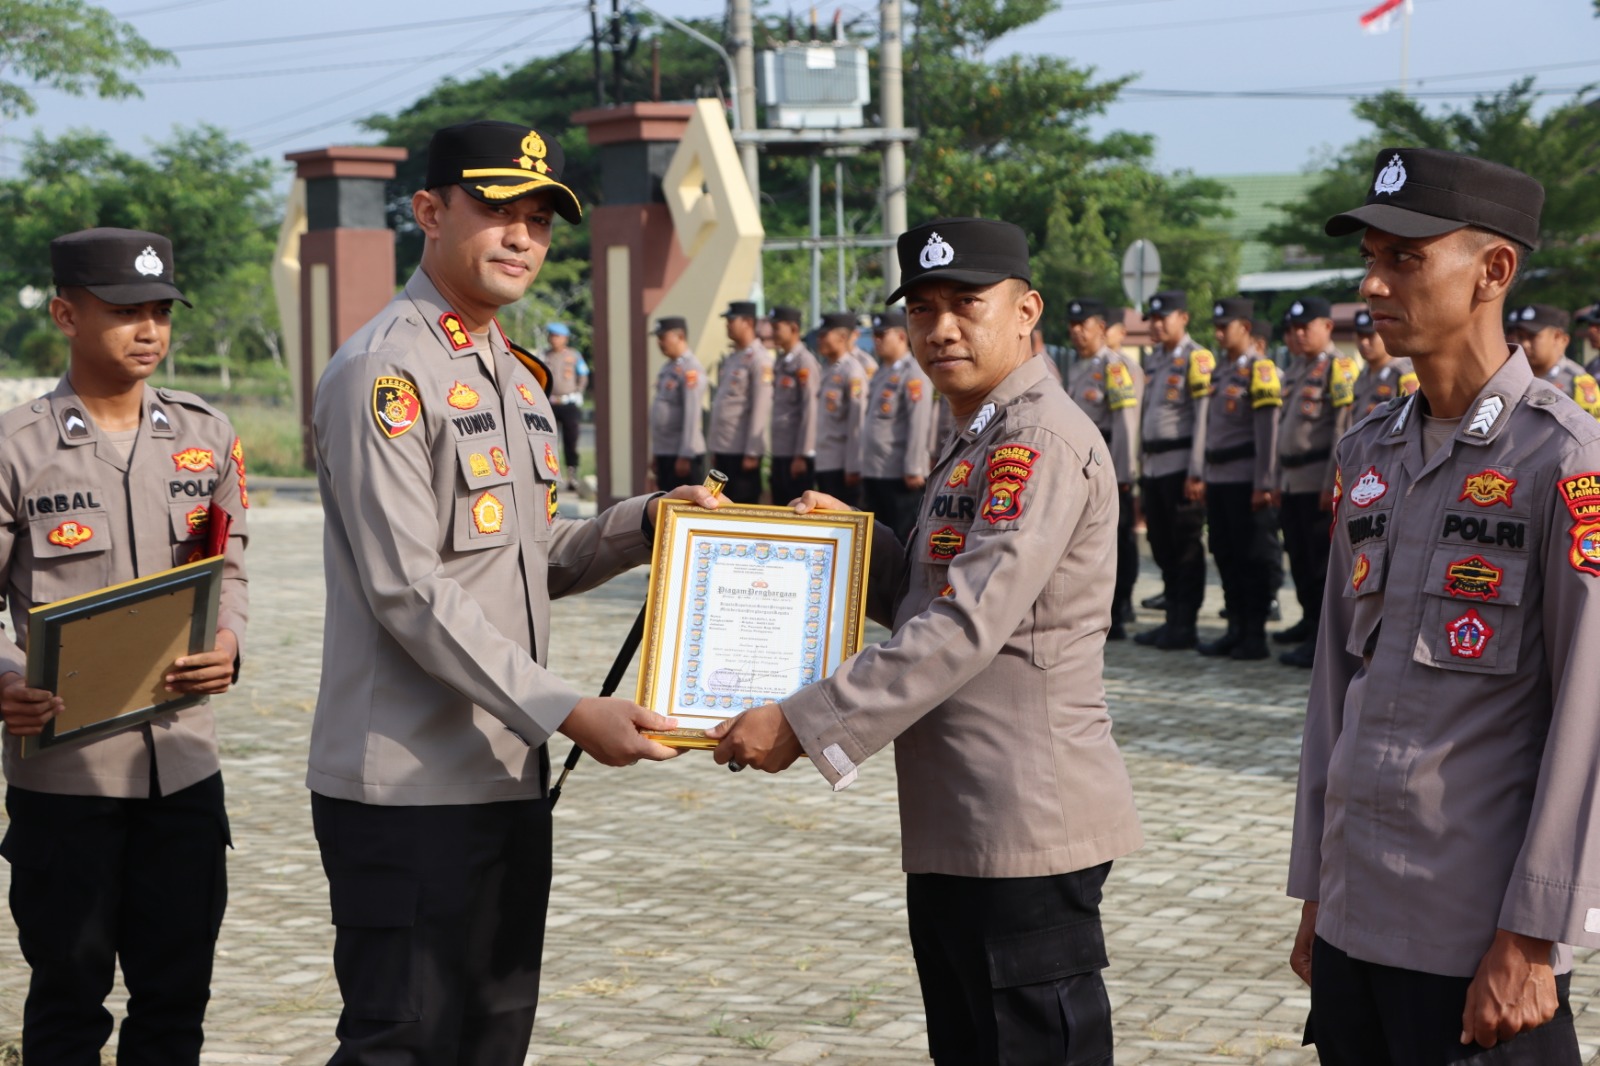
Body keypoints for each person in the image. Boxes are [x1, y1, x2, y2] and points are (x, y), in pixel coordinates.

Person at [305, 120, 715, 1066]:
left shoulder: (517, 379)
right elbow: (408, 588)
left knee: (489, 1039)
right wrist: (569, 709)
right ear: (429, 212)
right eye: (497, 211)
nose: (522, 237)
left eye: (538, 218)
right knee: (401, 1044)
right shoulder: (385, 370)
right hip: (406, 787)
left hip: (503, 773)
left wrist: (648, 523)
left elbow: (532, 560)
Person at [710, 217, 1143, 1065]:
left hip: (1022, 817)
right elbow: (937, 592)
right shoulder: (980, 430)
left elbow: (968, 622)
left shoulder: (1035, 442)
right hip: (961, 816)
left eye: (965, 305)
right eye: (923, 308)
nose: (941, 328)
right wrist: (858, 548)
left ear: (1027, 311)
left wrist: (804, 720)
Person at [1290, 145, 1600, 1066]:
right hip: (1357, 922)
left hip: (1477, 941)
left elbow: (1590, 718)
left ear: (1493, 272)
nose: (1372, 284)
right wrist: (1317, 887)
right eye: (1371, 258)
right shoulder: (1369, 453)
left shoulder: (1565, 460)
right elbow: (1332, 692)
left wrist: (1536, 936)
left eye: (1406, 258)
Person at [0, 227, 248, 1065]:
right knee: (68, 1000)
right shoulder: (14, 449)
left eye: (159, 312)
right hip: (66, 775)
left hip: (184, 767)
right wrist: (3, 676)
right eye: (124, 312)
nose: (148, 330)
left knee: (176, 1001)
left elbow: (230, 567)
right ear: (67, 314)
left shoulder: (206, 436)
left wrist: (227, 642)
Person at [1275, 296, 1359, 668]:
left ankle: (1320, 636)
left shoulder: (1337, 368)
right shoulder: (1295, 369)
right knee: (1298, 557)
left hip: (1317, 480)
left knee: (1319, 564)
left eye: (1303, 328)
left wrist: (1332, 482)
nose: (1296, 335)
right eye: (1291, 330)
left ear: (1326, 327)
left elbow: (1342, 429)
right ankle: (1309, 622)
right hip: (1293, 480)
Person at [1197, 297, 1281, 660]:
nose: (1217, 333)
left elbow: (1268, 431)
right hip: (1219, 478)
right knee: (1225, 553)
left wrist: (1264, 481)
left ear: (1245, 328)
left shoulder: (1260, 370)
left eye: (1224, 327)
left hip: (1246, 479)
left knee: (1252, 557)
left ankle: (1254, 633)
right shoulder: (1220, 371)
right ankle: (1235, 627)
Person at [1136, 290, 1216, 649]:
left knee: (1185, 546)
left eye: (1162, 317)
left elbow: (1202, 419)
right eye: (1152, 319)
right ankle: (1171, 618)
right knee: (1161, 544)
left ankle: (1185, 623)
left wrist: (1197, 471)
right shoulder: (1153, 361)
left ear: (1182, 318)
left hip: (1181, 465)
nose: (1156, 324)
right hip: (1154, 467)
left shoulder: (1196, 358)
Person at [1064, 297, 1143, 638]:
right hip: (1082, 468)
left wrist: (1124, 474)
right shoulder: (1078, 367)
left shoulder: (1114, 367)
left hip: (1109, 465)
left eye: (1085, 326)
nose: (1078, 332)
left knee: (1118, 540)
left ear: (1100, 328)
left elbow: (1126, 424)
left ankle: (1120, 608)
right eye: (1073, 326)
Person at [860, 308, 936, 541]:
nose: (877, 340)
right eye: (875, 335)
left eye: (883, 334)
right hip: (876, 469)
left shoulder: (913, 372)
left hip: (899, 472)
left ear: (902, 337)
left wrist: (914, 467)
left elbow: (919, 421)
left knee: (901, 537)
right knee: (877, 538)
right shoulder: (881, 372)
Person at [707, 300, 773, 504]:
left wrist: (753, 451)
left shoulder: (759, 359)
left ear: (747, 322)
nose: (727, 325)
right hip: (725, 447)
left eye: (731, 320)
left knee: (742, 505)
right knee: (716, 503)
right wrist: (715, 447)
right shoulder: (734, 357)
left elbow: (761, 406)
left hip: (742, 451)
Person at [1505, 304, 1600, 420]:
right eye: (1519, 337)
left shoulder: (1577, 382)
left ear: (1558, 337)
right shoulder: (1511, 378)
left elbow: (1590, 434)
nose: (1524, 344)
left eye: (1532, 336)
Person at [767, 305, 819, 504]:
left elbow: (810, 409)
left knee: (796, 506)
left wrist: (802, 454)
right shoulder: (782, 361)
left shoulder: (804, 362)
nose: (773, 332)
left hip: (795, 453)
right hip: (781, 450)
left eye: (777, 327)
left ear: (794, 329)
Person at [813, 311, 867, 505]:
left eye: (824, 335)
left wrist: (853, 466)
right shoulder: (827, 368)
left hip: (841, 464)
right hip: (826, 460)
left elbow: (857, 422)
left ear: (842, 337)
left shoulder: (852, 371)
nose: (819, 340)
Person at [649, 316, 707, 490]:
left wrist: (685, 455)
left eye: (663, 337)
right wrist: (656, 452)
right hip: (665, 450)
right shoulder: (668, 368)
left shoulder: (691, 368)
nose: (659, 343)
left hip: (681, 453)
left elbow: (692, 414)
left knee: (683, 508)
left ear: (680, 336)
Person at [543, 322, 588, 491]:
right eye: (551, 336)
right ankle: (551, 476)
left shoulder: (574, 355)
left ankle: (572, 476)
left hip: (569, 402)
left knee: (571, 441)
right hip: (550, 403)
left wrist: (579, 391)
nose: (553, 339)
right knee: (548, 442)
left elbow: (583, 375)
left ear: (565, 338)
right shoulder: (544, 356)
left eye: (557, 336)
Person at [1350, 308, 1417, 419]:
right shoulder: (1361, 375)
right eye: (1360, 336)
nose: (1364, 342)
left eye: (1370, 336)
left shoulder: (1404, 373)